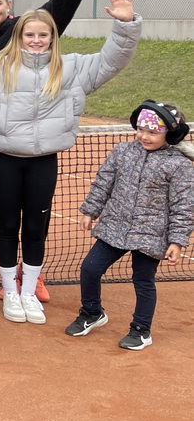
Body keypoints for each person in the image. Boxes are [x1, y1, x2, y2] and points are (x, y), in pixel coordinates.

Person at [0, 0, 141, 325]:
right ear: (19, 36)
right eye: (29, 35)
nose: (36, 41)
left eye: (43, 35)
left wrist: (125, 26)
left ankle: (29, 291)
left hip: (43, 161)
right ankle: (10, 291)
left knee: (37, 228)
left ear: (52, 37)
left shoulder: (73, 68)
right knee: (6, 227)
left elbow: (112, 60)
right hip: (4, 160)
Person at [0, 0, 97, 302]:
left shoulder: (24, 32)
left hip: (25, 137)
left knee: (33, 218)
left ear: (10, 8)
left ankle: (30, 276)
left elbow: (61, 6)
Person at [66, 101, 194, 350]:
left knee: (143, 280)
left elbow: (183, 205)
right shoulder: (123, 151)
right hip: (115, 226)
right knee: (90, 269)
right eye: (141, 129)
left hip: (151, 234)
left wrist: (177, 241)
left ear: (169, 133)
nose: (145, 136)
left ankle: (141, 330)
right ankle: (92, 312)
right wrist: (90, 211)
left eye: (153, 132)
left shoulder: (179, 165)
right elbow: (104, 182)